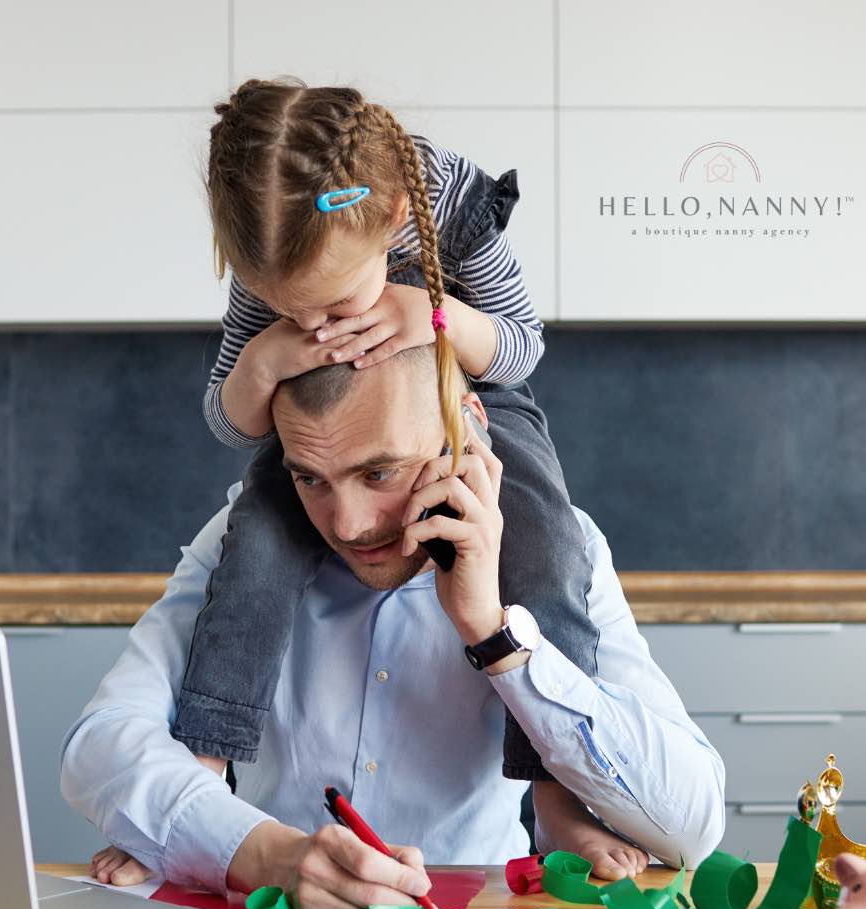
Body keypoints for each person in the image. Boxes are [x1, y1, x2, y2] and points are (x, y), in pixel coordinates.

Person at [61, 343, 726, 909]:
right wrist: (260, 855)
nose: (346, 522)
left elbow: (692, 825)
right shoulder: (243, 546)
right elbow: (100, 748)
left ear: (464, 428)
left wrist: (496, 636)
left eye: (378, 472)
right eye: (310, 479)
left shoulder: (562, 550)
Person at [172, 75, 599, 789]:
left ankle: (557, 788)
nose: (314, 325)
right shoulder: (273, 238)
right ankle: (205, 760)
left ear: (395, 215)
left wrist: (432, 317)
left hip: (470, 393)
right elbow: (232, 423)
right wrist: (264, 359)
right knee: (256, 552)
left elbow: (522, 345)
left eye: (331, 301)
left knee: (547, 546)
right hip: (330, 431)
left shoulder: (450, 203)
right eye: (288, 308)